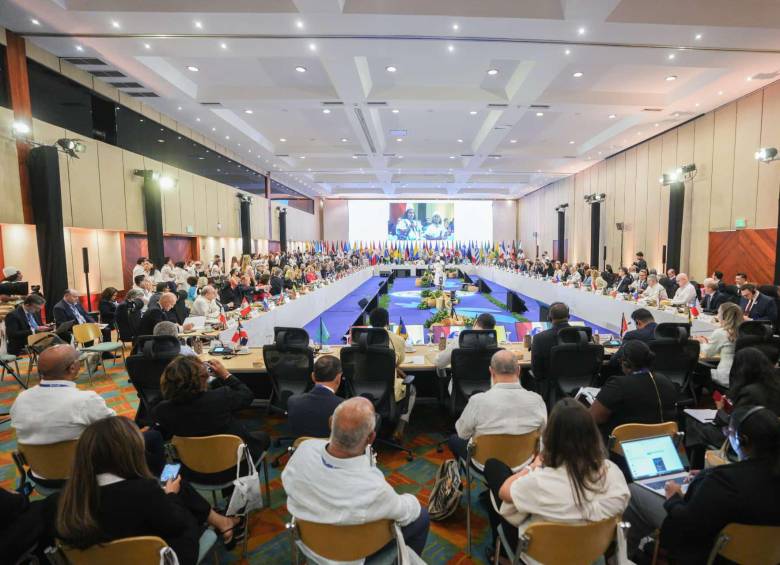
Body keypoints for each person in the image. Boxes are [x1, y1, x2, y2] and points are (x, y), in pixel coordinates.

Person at [48, 417, 242, 565]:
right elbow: (177, 525)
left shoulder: (61, 500)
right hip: (160, 557)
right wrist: (170, 496)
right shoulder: (145, 492)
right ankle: (222, 522)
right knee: (180, 497)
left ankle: (221, 521)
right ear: (130, 452)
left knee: (176, 486)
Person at [624, 406, 780, 563]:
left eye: (729, 432)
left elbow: (687, 526)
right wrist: (707, 475)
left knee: (634, 492)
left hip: (709, 554)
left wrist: (674, 498)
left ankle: (623, 557)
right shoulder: (732, 477)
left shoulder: (721, 481)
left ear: (742, 440)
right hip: (763, 557)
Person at [282, 398, 429, 562]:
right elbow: (409, 511)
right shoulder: (374, 488)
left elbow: (287, 482)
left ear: (331, 423)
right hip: (349, 557)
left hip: (308, 543)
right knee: (422, 516)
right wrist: (411, 500)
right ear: (370, 438)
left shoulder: (303, 450)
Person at [483, 398, 630, 557]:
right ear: (593, 434)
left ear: (550, 438)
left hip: (538, 556)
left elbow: (504, 491)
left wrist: (531, 467)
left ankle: (503, 557)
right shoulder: (614, 473)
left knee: (494, 467)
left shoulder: (539, 482)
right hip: (590, 553)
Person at [10, 344, 165, 477]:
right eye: (78, 359)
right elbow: (117, 429)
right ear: (72, 368)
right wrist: (137, 433)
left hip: (40, 474)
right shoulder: (85, 400)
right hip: (84, 474)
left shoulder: (21, 399)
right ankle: (163, 484)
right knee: (153, 435)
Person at [153, 356, 270, 480]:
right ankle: (246, 482)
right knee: (262, 437)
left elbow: (160, 404)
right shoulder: (221, 397)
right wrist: (225, 375)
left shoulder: (162, 411)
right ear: (203, 377)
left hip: (193, 471)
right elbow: (247, 395)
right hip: (234, 468)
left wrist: (172, 387)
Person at [447, 350, 546, 462]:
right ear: (519, 370)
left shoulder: (477, 401)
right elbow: (544, 436)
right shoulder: (537, 401)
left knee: (454, 439)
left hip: (484, 465)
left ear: (491, 371)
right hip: (523, 463)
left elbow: (462, 434)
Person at [590, 340, 677, 438]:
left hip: (623, 444)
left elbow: (594, 418)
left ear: (626, 363)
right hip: (663, 440)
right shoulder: (666, 381)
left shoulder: (618, 385)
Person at [286, 355, 345, 439]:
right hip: (329, 447)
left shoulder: (293, 401)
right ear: (339, 378)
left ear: (313, 376)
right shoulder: (344, 407)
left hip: (301, 446)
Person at [694, 302, 741, 387]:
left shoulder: (721, 332)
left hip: (725, 377)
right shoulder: (744, 331)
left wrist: (701, 342)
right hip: (741, 377)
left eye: (718, 313)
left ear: (724, 316)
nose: (717, 315)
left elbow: (708, 353)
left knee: (694, 369)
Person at [530, 302, 570, 381]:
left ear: (549, 318)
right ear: (568, 317)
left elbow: (536, 371)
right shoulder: (583, 335)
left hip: (550, 384)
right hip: (579, 383)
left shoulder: (539, 338)